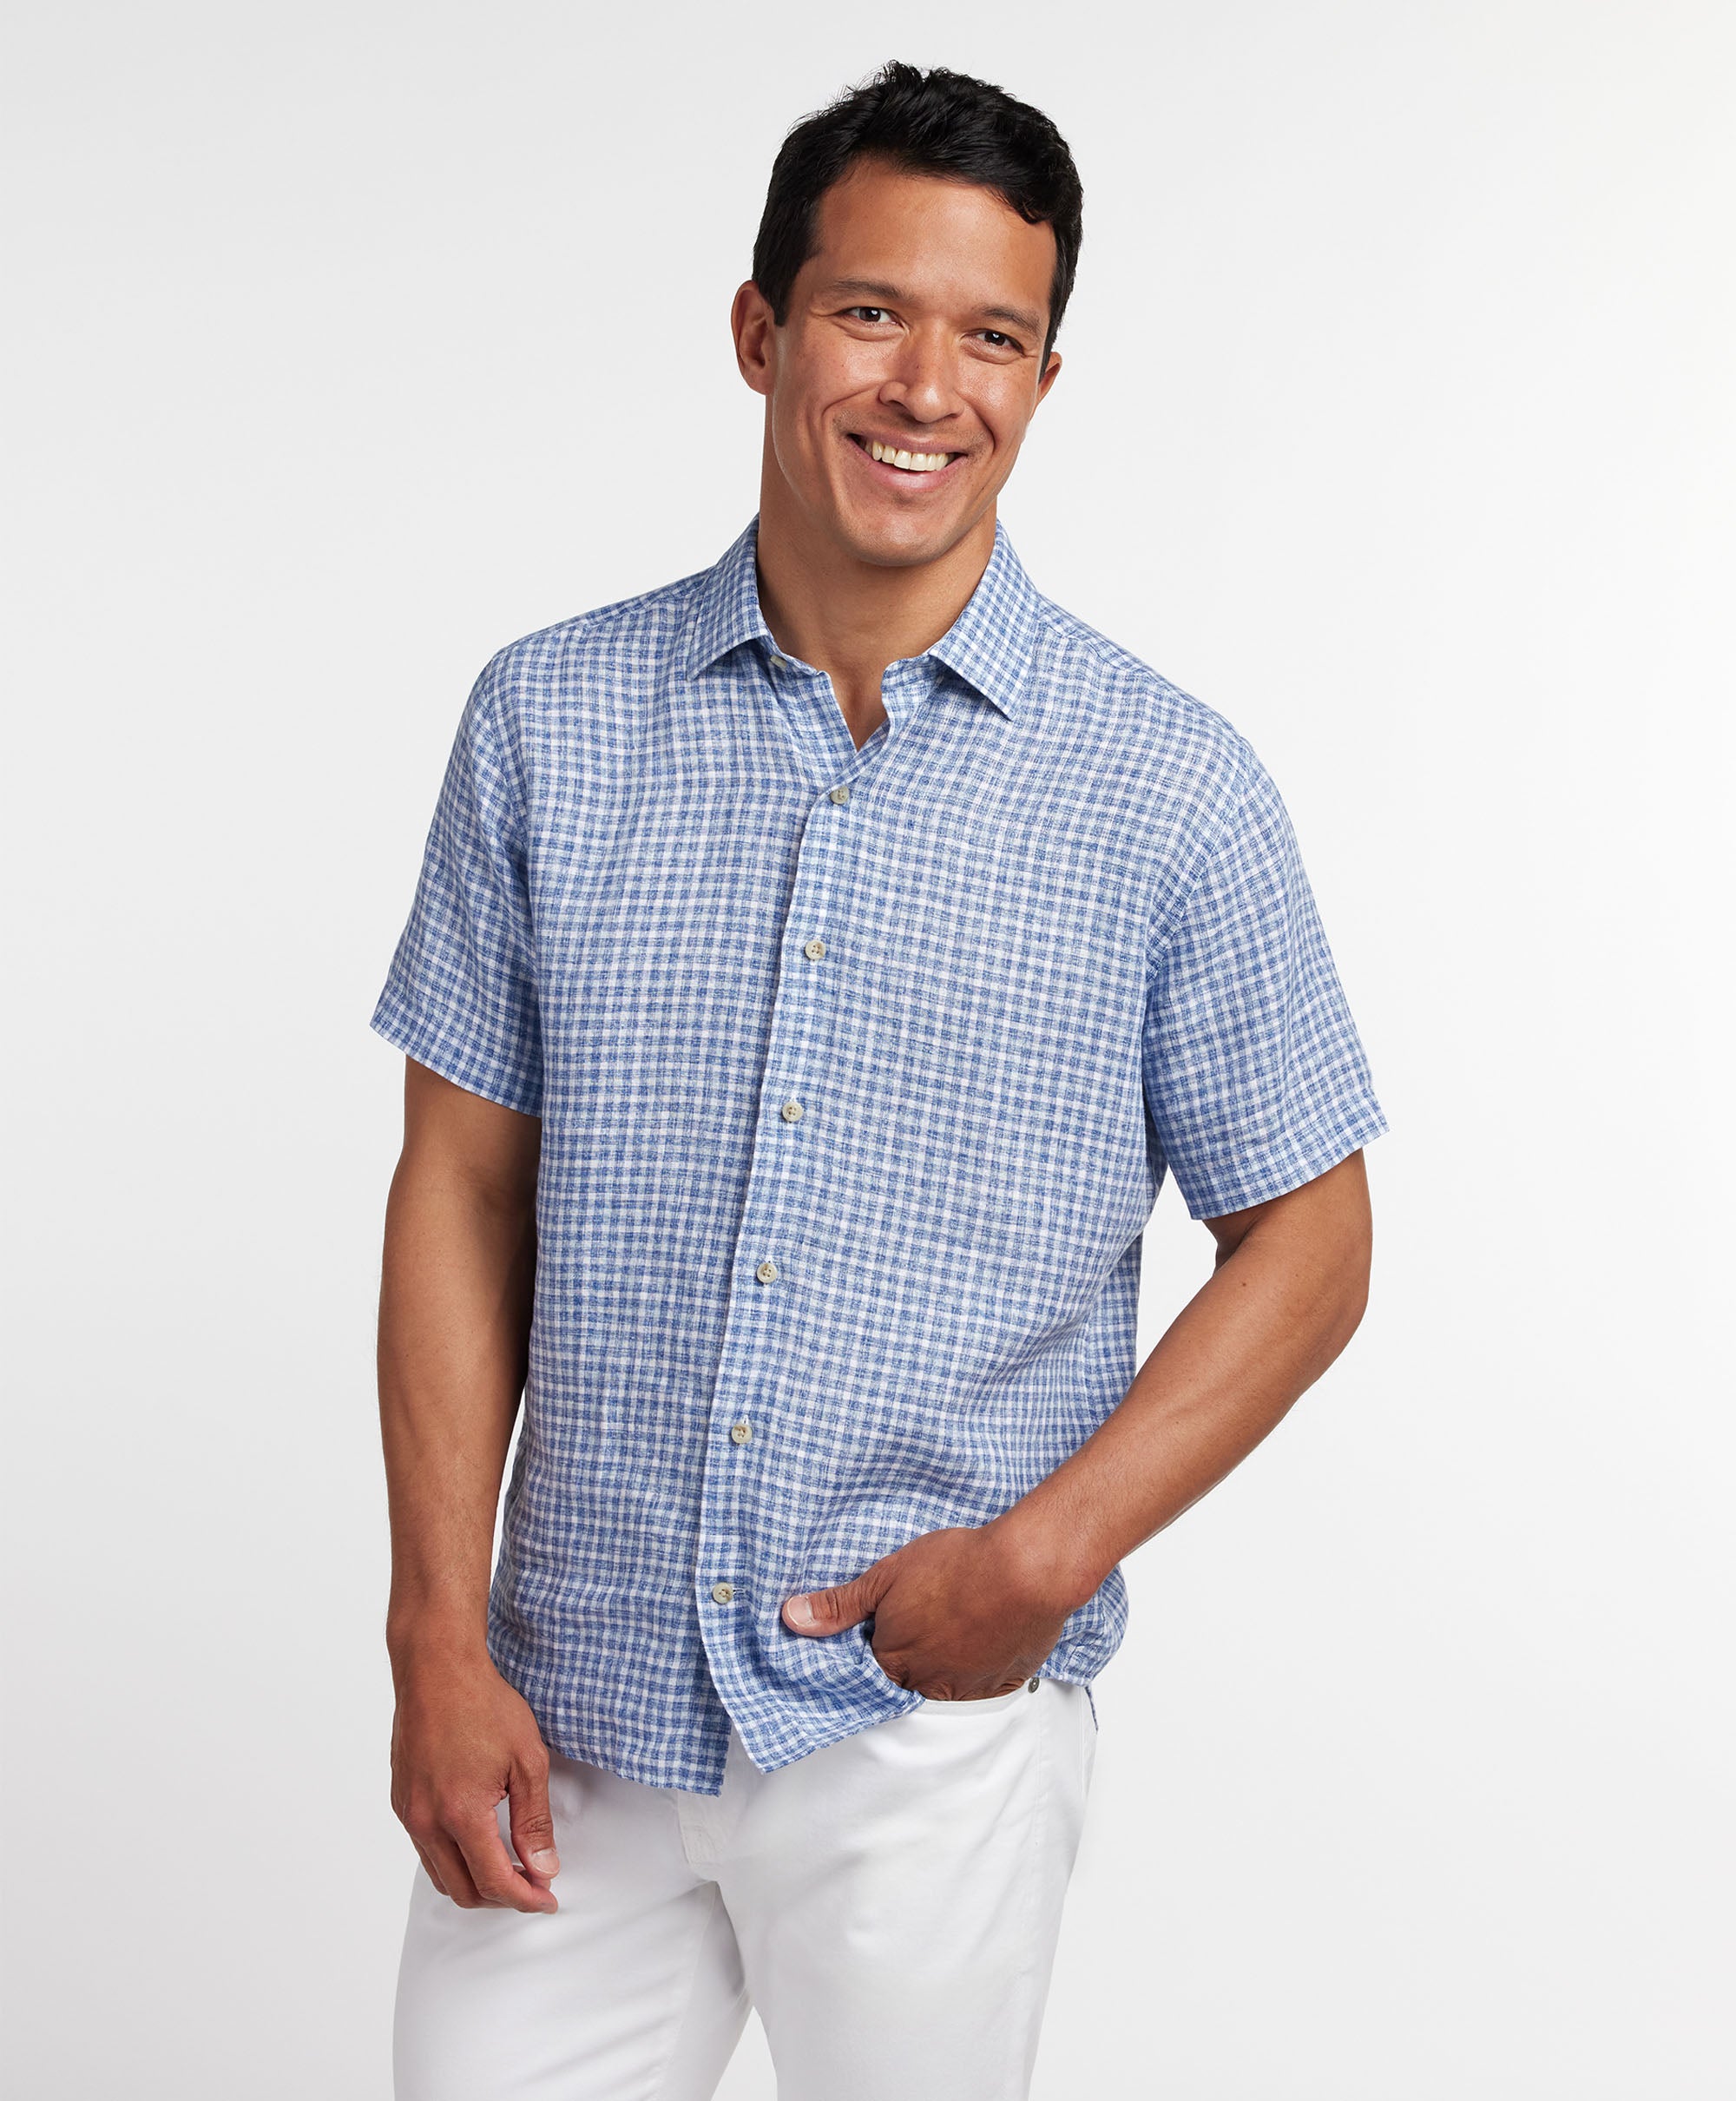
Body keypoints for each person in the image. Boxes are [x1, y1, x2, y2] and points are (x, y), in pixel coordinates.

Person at [372, 59, 1386, 2101]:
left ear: (1043, 377)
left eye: (991, 336)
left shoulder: (1168, 792)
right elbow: (461, 1187)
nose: (928, 387)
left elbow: (1313, 1235)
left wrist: (1043, 1559)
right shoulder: (549, 721)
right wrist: (434, 1637)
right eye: (869, 313)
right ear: (761, 332)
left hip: (919, 1728)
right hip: (564, 1708)